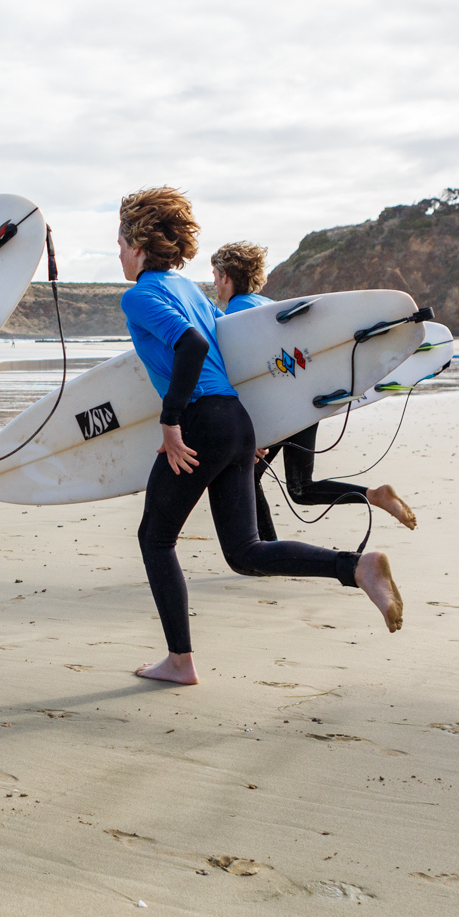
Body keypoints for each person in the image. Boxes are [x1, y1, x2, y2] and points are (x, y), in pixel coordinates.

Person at [120, 191, 404, 687]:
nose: (119, 253)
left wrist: (170, 423)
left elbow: (191, 345)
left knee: (155, 538)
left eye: (121, 243)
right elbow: (238, 359)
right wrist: (250, 433)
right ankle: (356, 567)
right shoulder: (191, 291)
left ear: (140, 246)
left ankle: (180, 661)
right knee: (246, 550)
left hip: (200, 421)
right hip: (235, 419)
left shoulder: (141, 294)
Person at [206, 242, 419, 539]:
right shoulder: (272, 307)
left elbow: (248, 382)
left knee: (250, 477)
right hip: (304, 406)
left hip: (276, 414)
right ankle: (373, 495)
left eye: (215, 274)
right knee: (301, 487)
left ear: (227, 276)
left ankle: (268, 549)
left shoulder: (232, 322)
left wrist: (250, 432)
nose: (214, 282)